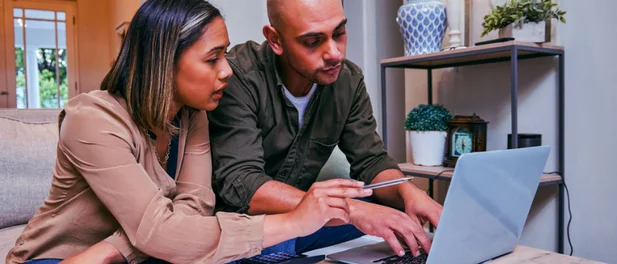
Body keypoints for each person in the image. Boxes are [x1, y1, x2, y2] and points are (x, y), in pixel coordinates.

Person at [5, 1, 372, 263]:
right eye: (213, 59)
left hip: (142, 255)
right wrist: (294, 220)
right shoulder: (92, 119)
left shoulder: (193, 116)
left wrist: (116, 247)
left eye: (225, 55)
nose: (227, 70)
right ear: (164, 62)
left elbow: (194, 212)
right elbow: (162, 233)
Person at [208, 0, 444, 258]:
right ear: (275, 39)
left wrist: (406, 191)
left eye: (340, 33)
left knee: (396, 218)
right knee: (279, 243)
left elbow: (371, 161)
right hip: (248, 225)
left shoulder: (348, 81)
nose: (335, 53)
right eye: (312, 41)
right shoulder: (238, 76)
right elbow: (243, 183)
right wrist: (349, 211)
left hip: (311, 221)